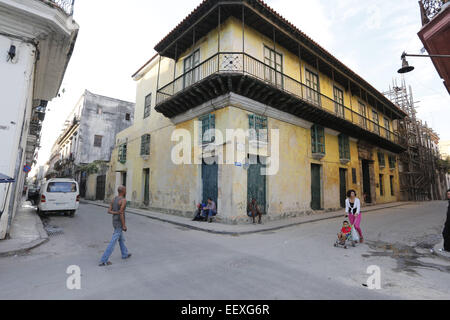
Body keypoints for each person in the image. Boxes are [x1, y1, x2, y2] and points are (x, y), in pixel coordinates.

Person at [99, 186, 132, 266]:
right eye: (125, 190)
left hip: (114, 221)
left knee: (121, 239)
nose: (126, 191)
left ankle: (124, 254)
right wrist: (124, 225)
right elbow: (121, 213)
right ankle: (104, 260)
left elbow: (109, 211)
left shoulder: (114, 199)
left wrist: (116, 212)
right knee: (113, 241)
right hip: (119, 223)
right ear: (123, 191)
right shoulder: (123, 200)